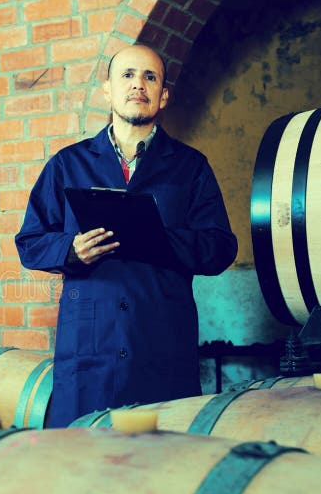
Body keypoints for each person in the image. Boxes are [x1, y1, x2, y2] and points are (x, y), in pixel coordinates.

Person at [15, 44, 237, 428]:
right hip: (89, 351)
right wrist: (70, 249)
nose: (139, 85)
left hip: (162, 349)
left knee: (165, 456)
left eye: (150, 77)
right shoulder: (68, 164)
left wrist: (159, 238)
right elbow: (30, 241)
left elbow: (221, 247)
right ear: (108, 90)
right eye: (128, 75)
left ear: (163, 95)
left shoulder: (191, 167)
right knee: (85, 453)